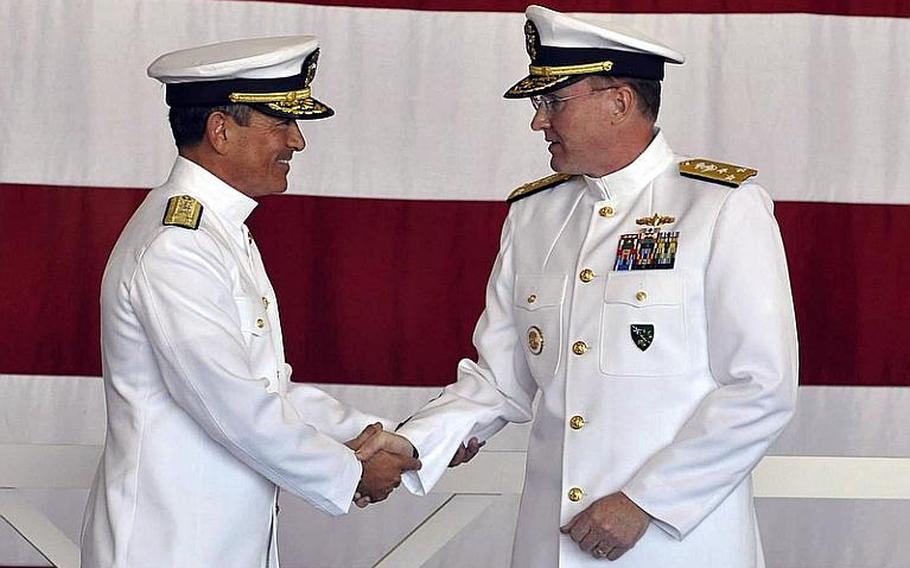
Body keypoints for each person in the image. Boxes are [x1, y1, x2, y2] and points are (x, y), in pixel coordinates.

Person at [388, 6, 798, 567]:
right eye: (539, 103)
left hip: (674, 545)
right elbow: (500, 379)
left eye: (553, 101)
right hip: (551, 543)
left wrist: (645, 502)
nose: (539, 121)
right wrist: (412, 445)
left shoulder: (720, 207)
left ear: (620, 101)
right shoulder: (536, 215)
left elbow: (760, 386)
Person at [80, 36, 419, 568]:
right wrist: (351, 470)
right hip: (169, 548)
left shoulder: (216, 230)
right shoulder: (179, 245)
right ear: (220, 130)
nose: (297, 142)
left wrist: (370, 433)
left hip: (214, 542)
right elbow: (233, 406)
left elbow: (267, 388)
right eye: (281, 123)